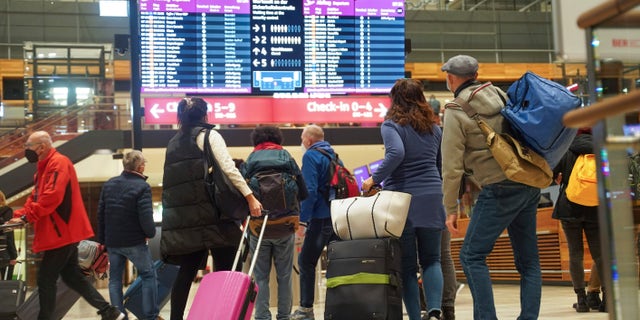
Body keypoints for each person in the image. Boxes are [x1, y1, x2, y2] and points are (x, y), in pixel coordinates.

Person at [441, 55, 542, 320]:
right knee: (529, 261)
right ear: (476, 74)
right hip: (527, 182)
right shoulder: (499, 94)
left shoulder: (455, 109)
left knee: (471, 255)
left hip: (498, 188)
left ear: (451, 78)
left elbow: (451, 166)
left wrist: (450, 208)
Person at [160, 97, 263, 320]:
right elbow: (228, 169)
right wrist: (250, 197)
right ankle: (222, 314)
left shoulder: (173, 143)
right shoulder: (209, 135)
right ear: (205, 115)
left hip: (185, 221)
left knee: (186, 272)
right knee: (226, 267)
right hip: (213, 215)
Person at [7, 131, 124, 320]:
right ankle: (109, 311)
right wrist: (17, 215)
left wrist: (28, 216)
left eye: (28, 146)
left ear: (42, 147)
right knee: (72, 276)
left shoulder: (58, 163)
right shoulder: (43, 169)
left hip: (62, 232)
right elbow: (35, 197)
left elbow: (52, 197)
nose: (25, 150)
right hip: (63, 232)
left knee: (46, 279)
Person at [362, 78, 446, 320]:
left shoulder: (391, 126)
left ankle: (415, 317)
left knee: (408, 267)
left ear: (394, 99)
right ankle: (433, 311)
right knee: (432, 259)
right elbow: (439, 166)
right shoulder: (435, 129)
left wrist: (373, 179)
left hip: (402, 200)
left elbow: (396, 153)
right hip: (432, 196)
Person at [241, 126, 308, 320]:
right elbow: (303, 192)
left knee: (261, 276)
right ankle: (284, 316)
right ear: (278, 138)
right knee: (284, 276)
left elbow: (243, 191)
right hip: (285, 225)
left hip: (258, 227)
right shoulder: (286, 157)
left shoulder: (251, 159)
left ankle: (262, 316)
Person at [98, 150, 158, 320]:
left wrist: (103, 241)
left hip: (113, 242)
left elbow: (101, 214)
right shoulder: (142, 186)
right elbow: (145, 215)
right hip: (134, 242)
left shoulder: (109, 184)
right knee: (148, 275)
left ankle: (119, 316)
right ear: (141, 166)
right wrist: (150, 233)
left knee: (115, 280)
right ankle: (149, 316)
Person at [552, 129, 605, 312]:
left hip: (570, 207)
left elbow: (552, 174)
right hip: (595, 208)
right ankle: (606, 298)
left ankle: (581, 300)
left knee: (576, 254)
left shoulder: (566, 147)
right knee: (599, 253)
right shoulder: (601, 148)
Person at [291, 124, 340, 320]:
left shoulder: (310, 156)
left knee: (306, 261)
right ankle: (338, 306)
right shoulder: (333, 155)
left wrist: (302, 221)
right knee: (336, 263)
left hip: (319, 218)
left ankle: (305, 309)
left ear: (308, 140)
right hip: (335, 215)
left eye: (302, 139)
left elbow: (309, 191)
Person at [0, 190, 18, 280]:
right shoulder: (6, 211)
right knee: (6, 283)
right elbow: (9, 233)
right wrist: (13, 255)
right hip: (4, 252)